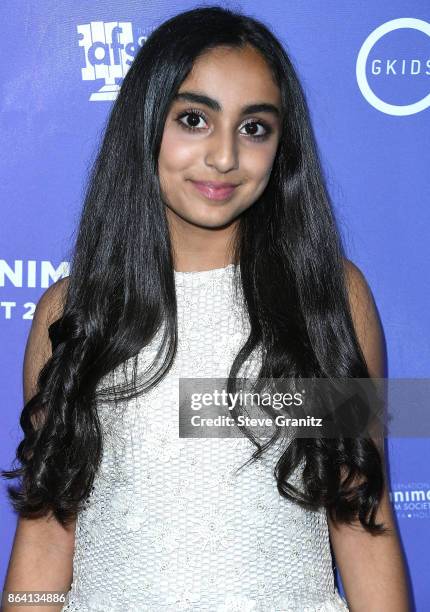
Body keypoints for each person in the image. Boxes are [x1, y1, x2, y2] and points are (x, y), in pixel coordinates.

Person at [1, 5, 410, 612]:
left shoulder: (327, 299)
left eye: (254, 128)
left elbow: (361, 520)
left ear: (280, 146)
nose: (224, 157)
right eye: (194, 119)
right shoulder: (75, 312)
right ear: (146, 124)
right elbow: (45, 532)